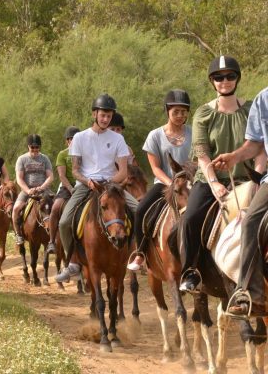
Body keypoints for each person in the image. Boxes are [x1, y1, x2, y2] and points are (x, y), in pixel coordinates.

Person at [179, 55, 266, 293]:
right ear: (212, 81)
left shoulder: (251, 109)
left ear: (237, 79)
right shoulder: (203, 113)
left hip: (248, 178)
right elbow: (203, 155)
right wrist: (215, 183)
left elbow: (260, 148)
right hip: (210, 180)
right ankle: (191, 271)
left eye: (230, 76)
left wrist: (257, 178)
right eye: (219, 77)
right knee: (190, 218)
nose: (224, 81)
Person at [55, 94, 139, 282]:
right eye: (102, 115)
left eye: (109, 116)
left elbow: (123, 171)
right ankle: (73, 262)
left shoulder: (118, 139)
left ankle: (138, 253)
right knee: (64, 222)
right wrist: (88, 182)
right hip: (86, 185)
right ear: (94, 114)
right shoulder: (79, 137)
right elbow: (75, 170)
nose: (106, 119)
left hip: (111, 185)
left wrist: (109, 183)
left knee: (139, 210)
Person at [213, 86, 268, 316]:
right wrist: (234, 157)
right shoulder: (263, 98)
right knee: (250, 222)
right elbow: (255, 144)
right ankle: (250, 294)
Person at [127, 89, 192, 271]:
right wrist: (171, 183)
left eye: (184, 112)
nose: (180, 116)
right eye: (176, 112)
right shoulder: (154, 136)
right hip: (164, 184)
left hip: (189, 184)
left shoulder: (194, 133)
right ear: (167, 111)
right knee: (140, 211)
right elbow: (155, 168)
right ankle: (140, 253)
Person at [12, 134, 54, 246]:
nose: (35, 149)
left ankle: (55, 236)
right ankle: (18, 235)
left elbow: (50, 176)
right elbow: (19, 178)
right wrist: (28, 190)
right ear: (28, 147)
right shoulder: (22, 159)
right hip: (27, 191)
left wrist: (42, 187)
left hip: (43, 190)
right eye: (32, 147)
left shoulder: (45, 158)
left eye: (37, 147)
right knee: (16, 209)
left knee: (56, 206)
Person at [46, 126, 80, 255]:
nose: (74, 141)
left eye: (76, 139)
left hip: (84, 185)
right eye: (71, 139)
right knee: (55, 207)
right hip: (67, 186)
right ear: (67, 141)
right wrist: (71, 189)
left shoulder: (85, 153)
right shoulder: (63, 154)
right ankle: (51, 241)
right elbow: (62, 175)